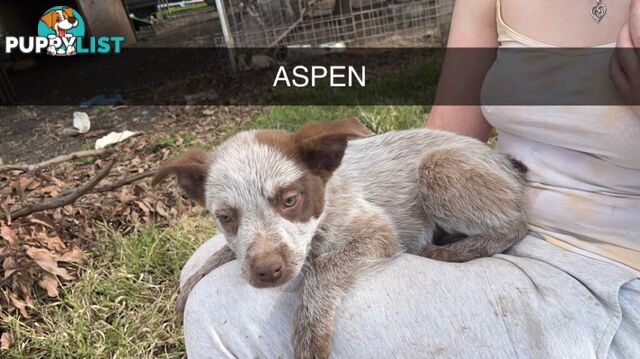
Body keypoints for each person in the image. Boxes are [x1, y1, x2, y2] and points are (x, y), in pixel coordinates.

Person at [180, 0, 640, 357]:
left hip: (603, 273)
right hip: (476, 212)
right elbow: (445, 132)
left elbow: (375, 233)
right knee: (213, 275)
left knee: (231, 312)